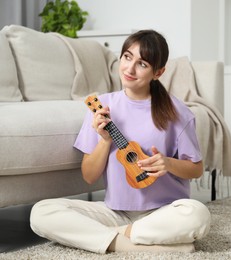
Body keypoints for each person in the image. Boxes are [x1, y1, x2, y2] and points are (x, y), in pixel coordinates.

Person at [30, 29, 211, 254]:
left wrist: (168, 163)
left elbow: (196, 169)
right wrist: (105, 141)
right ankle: (131, 243)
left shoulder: (178, 112)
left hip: (164, 212)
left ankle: (115, 235)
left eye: (142, 64)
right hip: (115, 211)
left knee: (197, 214)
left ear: (158, 72)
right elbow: (89, 176)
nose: (130, 68)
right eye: (127, 57)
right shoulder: (101, 107)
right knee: (41, 212)